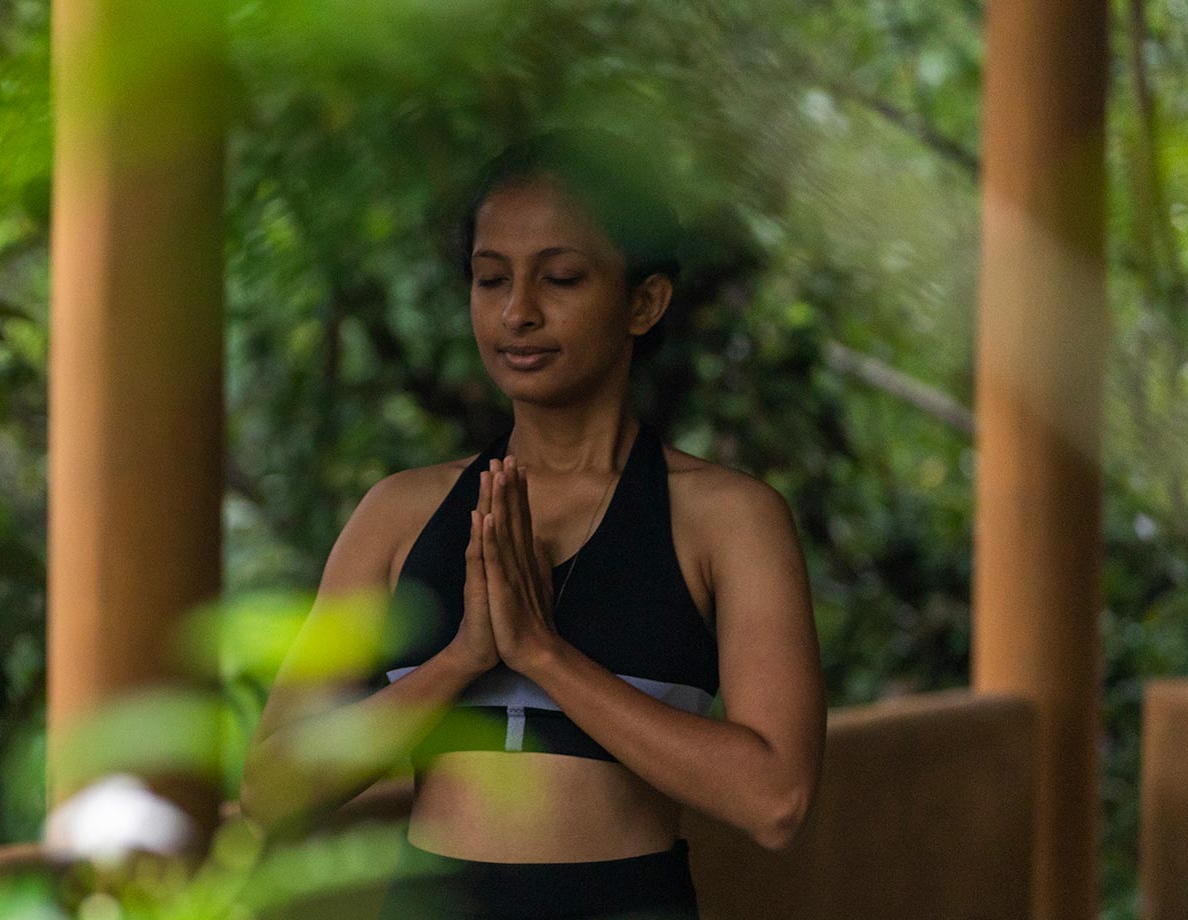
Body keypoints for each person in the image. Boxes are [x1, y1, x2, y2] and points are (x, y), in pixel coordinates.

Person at [237, 128, 826, 920]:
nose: (518, 312)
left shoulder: (726, 519)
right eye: (490, 280)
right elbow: (270, 793)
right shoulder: (400, 515)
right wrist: (460, 661)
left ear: (644, 302)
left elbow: (775, 799)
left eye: (561, 278)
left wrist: (543, 655)